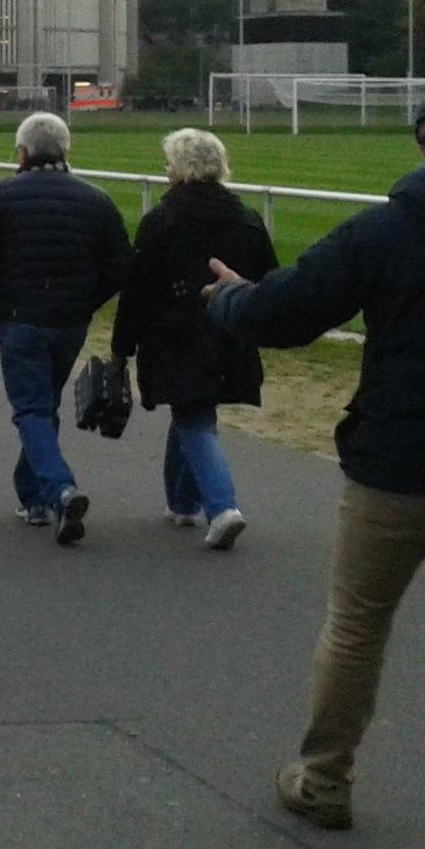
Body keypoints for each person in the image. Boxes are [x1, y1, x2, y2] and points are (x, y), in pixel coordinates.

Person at [202, 74, 425, 849]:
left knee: (354, 629)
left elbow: (283, 314)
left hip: (394, 467)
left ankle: (323, 779)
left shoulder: (381, 230)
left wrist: (230, 299)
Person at [0, 110, 130, 545]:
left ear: (22, 152)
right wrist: (85, 301)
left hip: (19, 316)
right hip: (68, 320)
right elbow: (119, 264)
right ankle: (33, 497)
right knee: (43, 404)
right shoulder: (96, 199)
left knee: (32, 409)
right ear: (65, 150)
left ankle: (59, 490)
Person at [112, 126, 273, 548]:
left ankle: (222, 507)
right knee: (193, 408)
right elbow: (268, 278)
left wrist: (121, 348)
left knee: (194, 417)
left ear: (182, 170)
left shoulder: (161, 221)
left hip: (177, 333)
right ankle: (182, 502)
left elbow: (138, 291)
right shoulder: (248, 219)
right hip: (232, 331)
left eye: (169, 164)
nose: (166, 171)